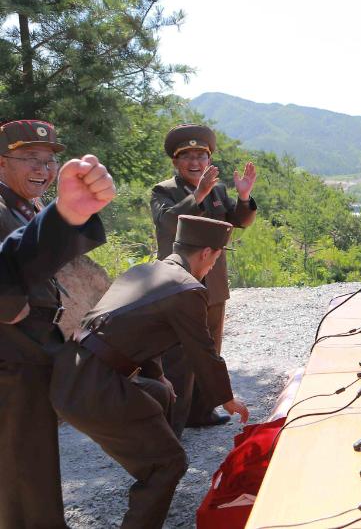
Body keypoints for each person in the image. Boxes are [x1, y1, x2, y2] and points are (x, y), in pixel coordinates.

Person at [51, 215, 250, 529]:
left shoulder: (144, 271)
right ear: (205, 254)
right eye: (216, 257)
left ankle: (154, 466)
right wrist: (226, 398)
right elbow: (203, 351)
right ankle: (157, 474)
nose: (214, 265)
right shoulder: (188, 289)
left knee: (159, 392)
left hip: (69, 374)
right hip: (94, 387)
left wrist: (158, 376)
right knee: (170, 464)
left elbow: (135, 329)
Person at [0, 119, 115, 529]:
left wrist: (67, 214)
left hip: (32, 345)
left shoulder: (23, 206)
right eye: (30, 158)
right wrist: (10, 301)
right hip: (12, 352)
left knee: (32, 453)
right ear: (1, 162)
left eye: (49, 160)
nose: (43, 168)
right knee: (23, 459)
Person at [151, 123, 257, 432]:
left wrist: (244, 196)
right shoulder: (163, 191)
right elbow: (168, 223)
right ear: (176, 162)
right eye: (187, 157)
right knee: (179, 355)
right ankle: (173, 422)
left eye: (201, 156)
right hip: (179, 286)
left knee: (210, 348)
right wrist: (198, 195)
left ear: (209, 160)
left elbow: (238, 221)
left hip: (214, 282)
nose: (195, 163)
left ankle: (201, 411)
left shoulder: (219, 190)